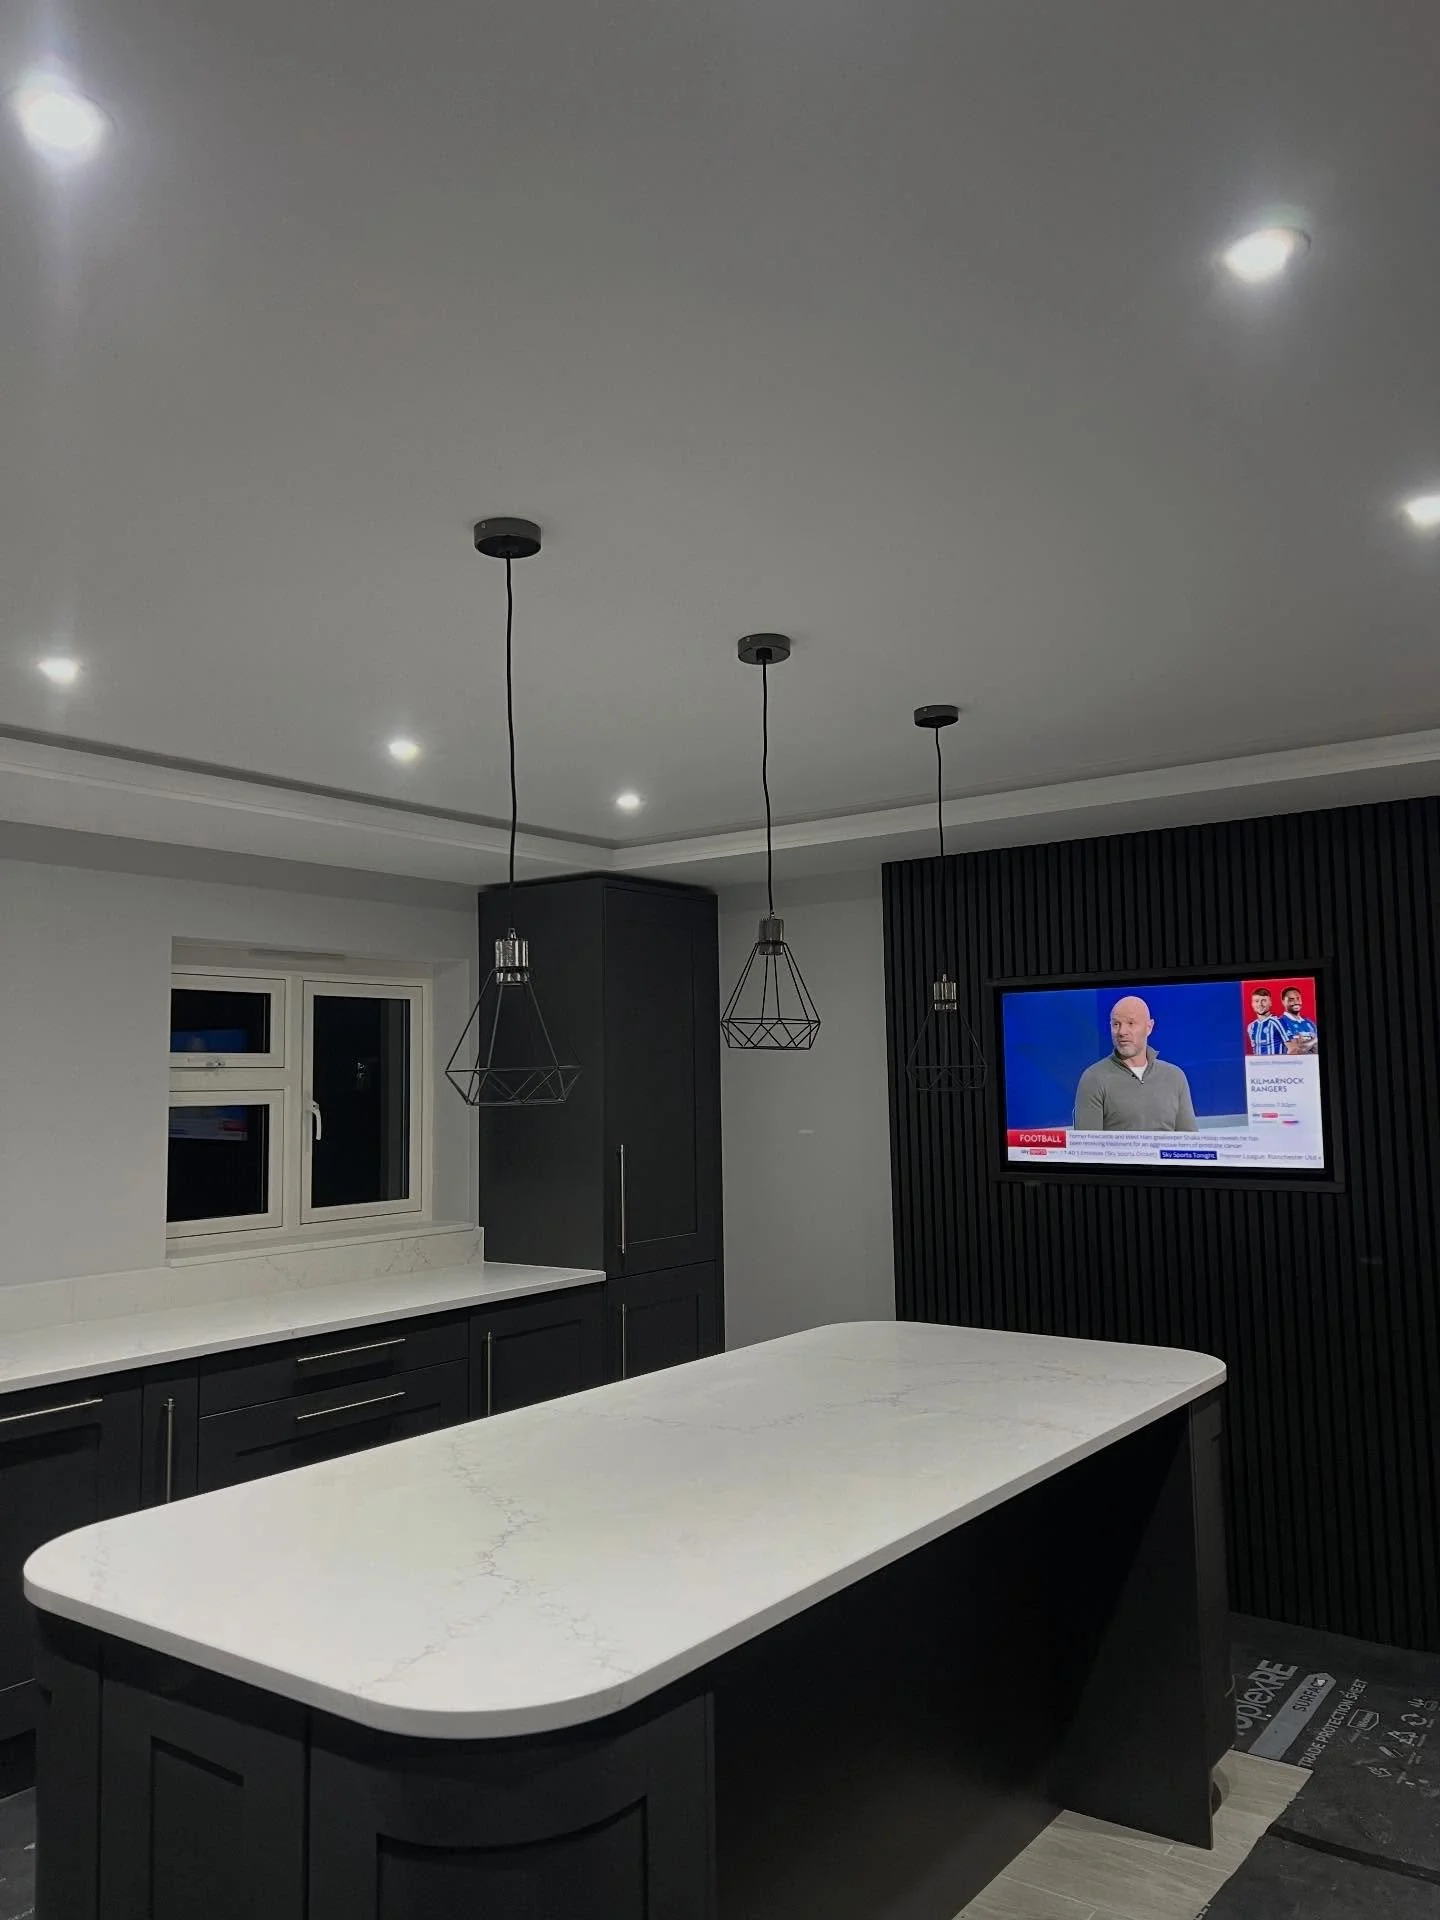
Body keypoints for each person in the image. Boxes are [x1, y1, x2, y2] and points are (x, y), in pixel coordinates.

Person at [1072, 996, 1198, 1131]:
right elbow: (1087, 1142)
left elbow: (1189, 1140)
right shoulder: (1094, 1079)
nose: (1122, 1032)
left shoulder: (1174, 1077)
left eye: (1131, 1023)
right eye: (1116, 1024)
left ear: (1149, 1027)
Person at [1246, 987, 1290, 1056]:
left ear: (1270, 1003)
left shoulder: (1278, 1022)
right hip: (1258, 1063)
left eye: (1264, 1000)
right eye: (1256, 1001)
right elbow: (1254, 1049)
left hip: (1276, 1062)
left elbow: (1293, 1047)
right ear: (1252, 1004)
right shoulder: (1251, 1026)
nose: (1260, 1004)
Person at [1278, 985, 1319, 1054]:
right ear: (1283, 1002)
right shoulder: (1280, 1023)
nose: (1296, 1002)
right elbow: (1296, 1050)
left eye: (1298, 998)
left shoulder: (1310, 1023)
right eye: (1291, 1000)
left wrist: (1307, 1044)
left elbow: (1317, 1050)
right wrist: (1314, 1041)